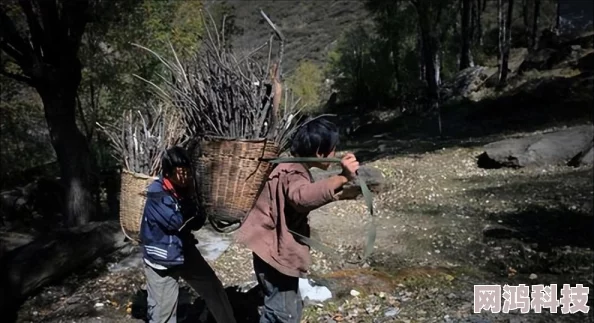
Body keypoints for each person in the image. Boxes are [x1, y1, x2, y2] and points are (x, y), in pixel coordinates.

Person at [236, 118, 360, 322]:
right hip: (274, 254)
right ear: (320, 151)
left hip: (267, 249)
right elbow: (301, 197)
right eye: (332, 149)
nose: (334, 154)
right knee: (281, 313)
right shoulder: (293, 171)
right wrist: (343, 177)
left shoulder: (288, 163)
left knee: (286, 307)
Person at [139, 146, 237, 323]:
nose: (184, 177)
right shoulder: (157, 194)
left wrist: (201, 202)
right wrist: (194, 204)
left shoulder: (185, 190)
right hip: (161, 260)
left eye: (187, 172)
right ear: (168, 173)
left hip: (182, 250)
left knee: (213, 288)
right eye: (180, 172)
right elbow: (177, 221)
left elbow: (197, 223)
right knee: (163, 315)